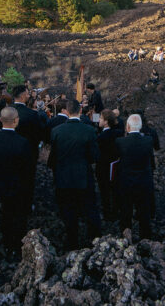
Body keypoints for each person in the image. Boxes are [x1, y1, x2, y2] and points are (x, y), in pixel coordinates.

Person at [47, 99, 101, 251]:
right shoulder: (89, 130)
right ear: (80, 111)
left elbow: (54, 156)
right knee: (90, 208)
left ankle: (72, 242)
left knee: (68, 210)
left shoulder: (56, 131)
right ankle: (95, 241)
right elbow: (95, 156)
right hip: (83, 175)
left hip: (63, 176)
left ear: (67, 112)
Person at [0, 107, 32, 260]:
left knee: (5, 215)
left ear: (0, 120)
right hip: (18, 188)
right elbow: (28, 173)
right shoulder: (23, 143)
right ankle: (18, 247)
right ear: (16, 121)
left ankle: (7, 244)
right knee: (19, 217)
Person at [115, 114, 155, 239]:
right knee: (144, 213)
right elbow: (151, 162)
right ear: (141, 127)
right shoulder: (148, 141)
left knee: (125, 212)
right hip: (143, 182)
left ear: (127, 127)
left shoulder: (120, 142)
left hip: (126, 183)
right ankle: (146, 240)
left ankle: (126, 239)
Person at [13, 85, 46, 208]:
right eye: (27, 94)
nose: (28, 96)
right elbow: (39, 134)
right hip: (28, 153)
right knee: (27, 180)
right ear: (22, 96)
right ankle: (27, 204)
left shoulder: (6, 111)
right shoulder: (32, 115)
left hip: (9, 153)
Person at [96, 110, 123, 220]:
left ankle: (107, 213)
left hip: (103, 167)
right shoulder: (117, 133)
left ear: (106, 122)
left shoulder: (101, 137)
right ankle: (115, 211)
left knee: (104, 192)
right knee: (115, 190)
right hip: (115, 165)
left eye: (101, 118)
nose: (99, 120)